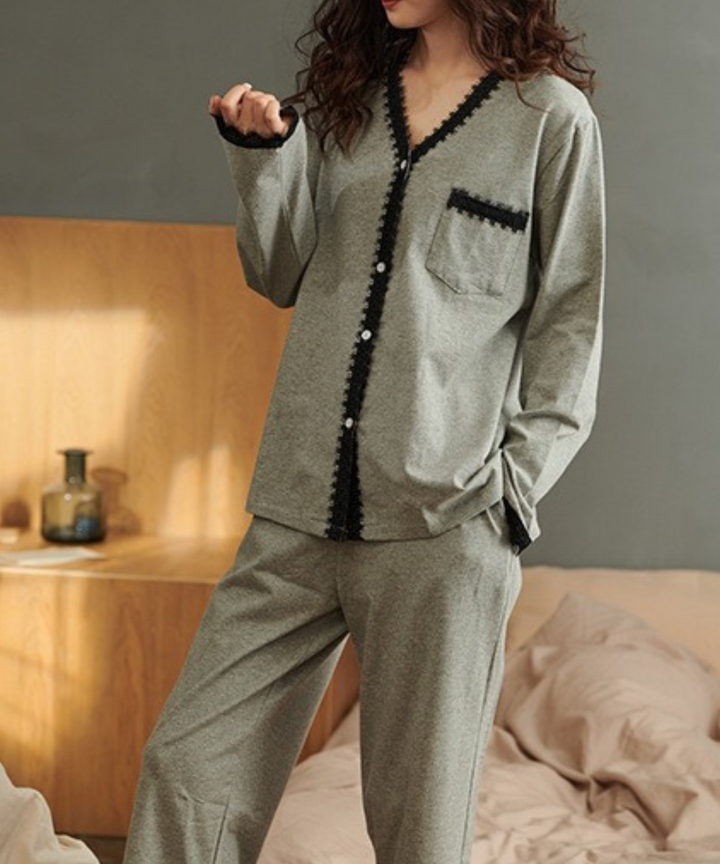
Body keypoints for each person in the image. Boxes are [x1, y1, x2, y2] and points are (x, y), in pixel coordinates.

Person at [122, 0, 605, 862]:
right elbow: (280, 273)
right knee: (187, 768)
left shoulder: (550, 120)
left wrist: (509, 495)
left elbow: (572, 318)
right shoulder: (352, 101)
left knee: (417, 826)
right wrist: (263, 156)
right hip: (297, 503)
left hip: (442, 523)